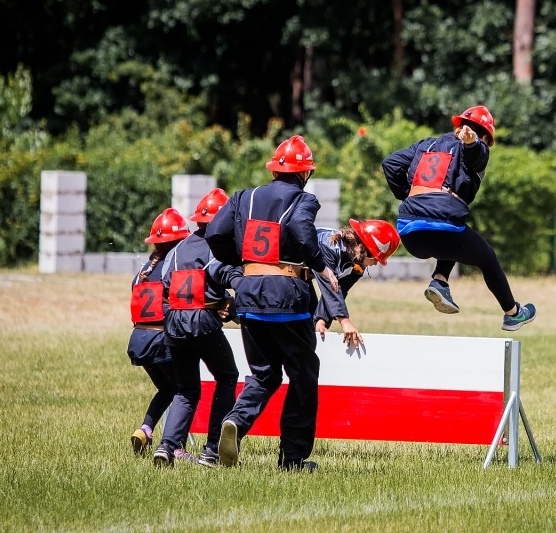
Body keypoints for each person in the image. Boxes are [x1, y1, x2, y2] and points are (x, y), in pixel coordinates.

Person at [205, 135, 339, 472]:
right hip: (288, 297)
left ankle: (236, 420)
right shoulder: (304, 199)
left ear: (274, 170)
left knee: (263, 375)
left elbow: (215, 233)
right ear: (304, 173)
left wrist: (244, 266)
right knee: (303, 374)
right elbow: (298, 226)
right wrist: (321, 266)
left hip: (249, 296)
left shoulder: (243, 197)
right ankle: (292, 459)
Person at [382, 104, 536, 331]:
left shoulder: (426, 144)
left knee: (456, 231)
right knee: (487, 257)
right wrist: (473, 142)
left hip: (409, 232)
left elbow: (390, 163)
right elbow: (477, 156)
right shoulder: (474, 147)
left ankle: (440, 281)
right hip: (442, 226)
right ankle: (513, 313)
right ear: (485, 136)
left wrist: (409, 195)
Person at [152, 188, 243, 468]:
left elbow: (166, 287)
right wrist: (231, 299)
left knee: (186, 390)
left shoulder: (177, 250)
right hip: (202, 324)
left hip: (174, 325)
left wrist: (217, 300)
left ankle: (166, 447)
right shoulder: (218, 247)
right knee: (228, 376)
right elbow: (226, 275)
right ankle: (212, 449)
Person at [127, 208, 192, 459]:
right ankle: (175, 447)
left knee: (167, 389)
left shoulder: (143, 271)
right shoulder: (174, 268)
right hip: (161, 340)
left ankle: (145, 429)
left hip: (138, 340)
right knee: (185, 391)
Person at [312, 219, 400, 345]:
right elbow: (329, 287)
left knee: (310, 323)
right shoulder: (329, 247)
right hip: (287, 274)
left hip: (302, 278)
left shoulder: (357, 264)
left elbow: (340, 290)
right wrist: (345, 321)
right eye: (375, 259)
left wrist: (322, 320)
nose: (375, 263)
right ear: (362, 248)